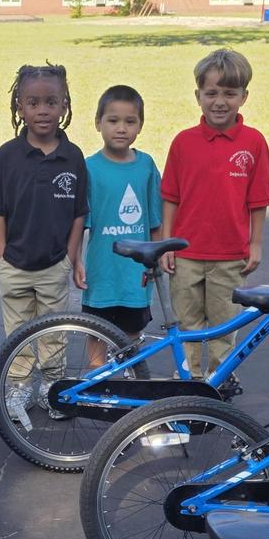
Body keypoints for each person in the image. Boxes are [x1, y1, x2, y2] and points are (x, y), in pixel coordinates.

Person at [160, 48, 269, 384]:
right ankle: (190, 379)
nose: (219, 102)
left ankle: (219, 379)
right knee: (188, 322)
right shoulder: (183, 142)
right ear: (198, 96)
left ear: (243, 97)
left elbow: (258, 200)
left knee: (225, 324)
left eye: (229, 93)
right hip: (186, 254)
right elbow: (170, 197)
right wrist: (167, 243)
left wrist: (255, 244)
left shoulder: (253, 143)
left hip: (229, 255)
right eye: (211, 93)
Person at [0, 63, 88, 419]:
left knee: (54, 330)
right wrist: (2, 255)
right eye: (33, 102)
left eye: (51, 102)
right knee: (18, 332)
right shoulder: (7, 156)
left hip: (53, 264)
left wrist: (71, 257)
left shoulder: (72, 157)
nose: (42, 110)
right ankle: (18, 387)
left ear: (64, 105)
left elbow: (79, 213)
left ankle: (52, 387)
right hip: (15, 263)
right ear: (19, 107)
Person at [74, 85, 161, 367]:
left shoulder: (146, 165)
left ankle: (130, 375)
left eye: (129, 121)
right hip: (102, 271)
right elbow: (80, 223)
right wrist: (75, 260)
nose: (121, 128)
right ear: (98, 123)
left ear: (140, 125)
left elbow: (155, 219)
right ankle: (96, 377)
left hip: (135, 273)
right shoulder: (89, 167)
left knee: (133, 329)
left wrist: (158, 257)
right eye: (113, 121)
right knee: (97, 328)